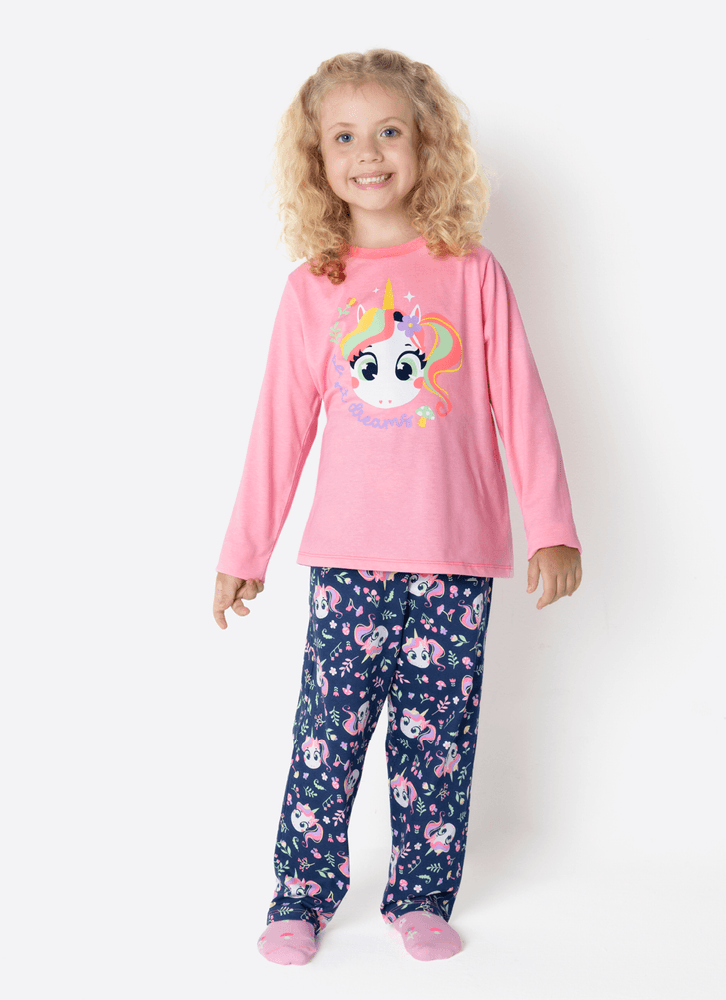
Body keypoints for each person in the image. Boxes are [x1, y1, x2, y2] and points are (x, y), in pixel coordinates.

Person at [213, 49, 582, 965]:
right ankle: (300, 897)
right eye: (343, 137)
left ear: (427, 144)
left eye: (388, 131)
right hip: (347, 560)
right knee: (327, 738)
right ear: (317, 159)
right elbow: (277, 430)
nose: (368, 153)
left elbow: (522, 404)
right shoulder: (313, 287)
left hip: (456, 558)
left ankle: (419, 896)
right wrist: (245, 551)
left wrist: (553, 526)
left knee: (437, 743)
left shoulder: (471, 273)